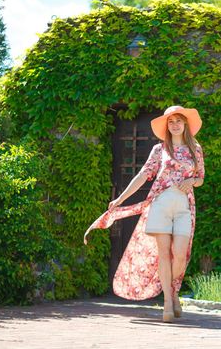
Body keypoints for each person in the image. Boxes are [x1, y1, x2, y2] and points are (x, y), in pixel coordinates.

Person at [84, 105, 205, 323]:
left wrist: (192, 181)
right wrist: (120, 199)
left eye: (179, 120)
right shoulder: (160, 150)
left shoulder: (195, 148)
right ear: (167, 126)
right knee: (164, 253)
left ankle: (174, 291)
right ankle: (168, 302)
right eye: (171, 121)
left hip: (185, 206)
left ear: (185, 123)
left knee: (179, 253)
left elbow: (201, 177)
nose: (175, 124)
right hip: (160, 204)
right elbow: (142, 176)